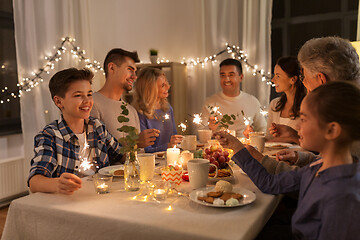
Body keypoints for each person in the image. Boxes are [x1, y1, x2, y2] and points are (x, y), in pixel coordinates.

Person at [215, 81, 360, 239]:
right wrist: (236, 146)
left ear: (331, 130)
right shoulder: (318, 167)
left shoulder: (343, 198)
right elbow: (270, 183)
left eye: (304, 119)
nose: (297, 127)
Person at [28, 68, 123, 194]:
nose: (87, 101)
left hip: (99, 198)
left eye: (89, 94)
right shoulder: (50, 136)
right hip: (68, 204)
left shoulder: (97, 127)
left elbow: (121, 155)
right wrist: (58, 184)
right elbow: (35, 182)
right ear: (58, 101)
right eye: (78, 95)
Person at [91, 48, 159, 150]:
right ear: (112, 68)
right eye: (130, 69)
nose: (134, 76)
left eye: (135, 71)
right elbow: (96, 152)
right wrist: (135, 143)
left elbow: (138, 155)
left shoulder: (131, 111)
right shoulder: (91, 104)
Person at [201, 58, 267, 138]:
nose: (226, 79)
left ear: (241, 77)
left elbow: (263, 129)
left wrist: (253, 135)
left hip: (245, 147)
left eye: (231, 75)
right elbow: (201, 133)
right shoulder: (210, 102)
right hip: (220, 147)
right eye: (223, 75)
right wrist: (210, 129)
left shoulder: (252, 101)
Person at [132, 67, 183, 153]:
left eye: (167, 83)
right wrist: (168, 146)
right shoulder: (139, 113)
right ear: (151, 90)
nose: (168, 86)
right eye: (163, 85)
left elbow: (175, 136)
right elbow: (146, 150)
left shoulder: (167, 108)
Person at [266, 56, 306, 143]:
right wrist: (253, 136)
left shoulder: (307, 106)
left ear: (293, 79)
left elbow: (312, 144)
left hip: (299, 155)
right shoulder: (275, 104)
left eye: (278, 76)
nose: (273, 80)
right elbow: (268, 138)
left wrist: (292, 135)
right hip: (275, 155)